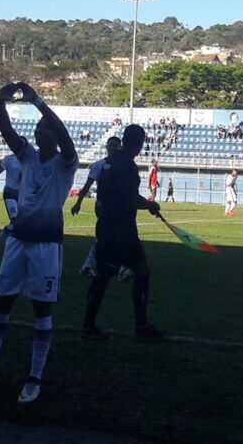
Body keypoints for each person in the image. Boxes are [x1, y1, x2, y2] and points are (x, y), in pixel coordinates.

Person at [0, 82, 78, 404]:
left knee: (41, 310)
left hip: (46, 245)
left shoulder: (66, 163)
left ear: (55, 137)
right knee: (1, 304)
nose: (40, 134)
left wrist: (38, 101)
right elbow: (5, 128)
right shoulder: (26, 156)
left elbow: (61, 130)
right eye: (38, 130)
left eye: (46, 131)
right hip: (18, 242)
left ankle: (34, 377)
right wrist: (0, 100)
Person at [81, 124, 163, 342]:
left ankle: (90, 327)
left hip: (107, 226)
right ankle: (139, 326)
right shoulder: (127, 165)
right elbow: (130, 198)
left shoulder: (109, 161)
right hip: (121, 231)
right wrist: (150, 205)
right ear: (139, 143)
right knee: (138, 272)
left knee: (106, 276)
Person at [70, 136, 132, 281]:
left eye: (116, 145)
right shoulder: (99, 165)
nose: (113, 148)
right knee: (115, 237)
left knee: (104, 239)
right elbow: (87, 186)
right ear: (106, 147)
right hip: (104, 207)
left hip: (116, 207)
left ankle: (87, 266)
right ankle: (120, 269)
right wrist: (78, 202)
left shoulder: (123, 165)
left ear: (120, 147)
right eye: (111, 145)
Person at [0, 153, 23, 253]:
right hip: (10, 193)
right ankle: (14, 246)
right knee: (15, 220)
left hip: (23, 195)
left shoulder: (29, 158)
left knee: (20, 222)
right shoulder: (9, 159)